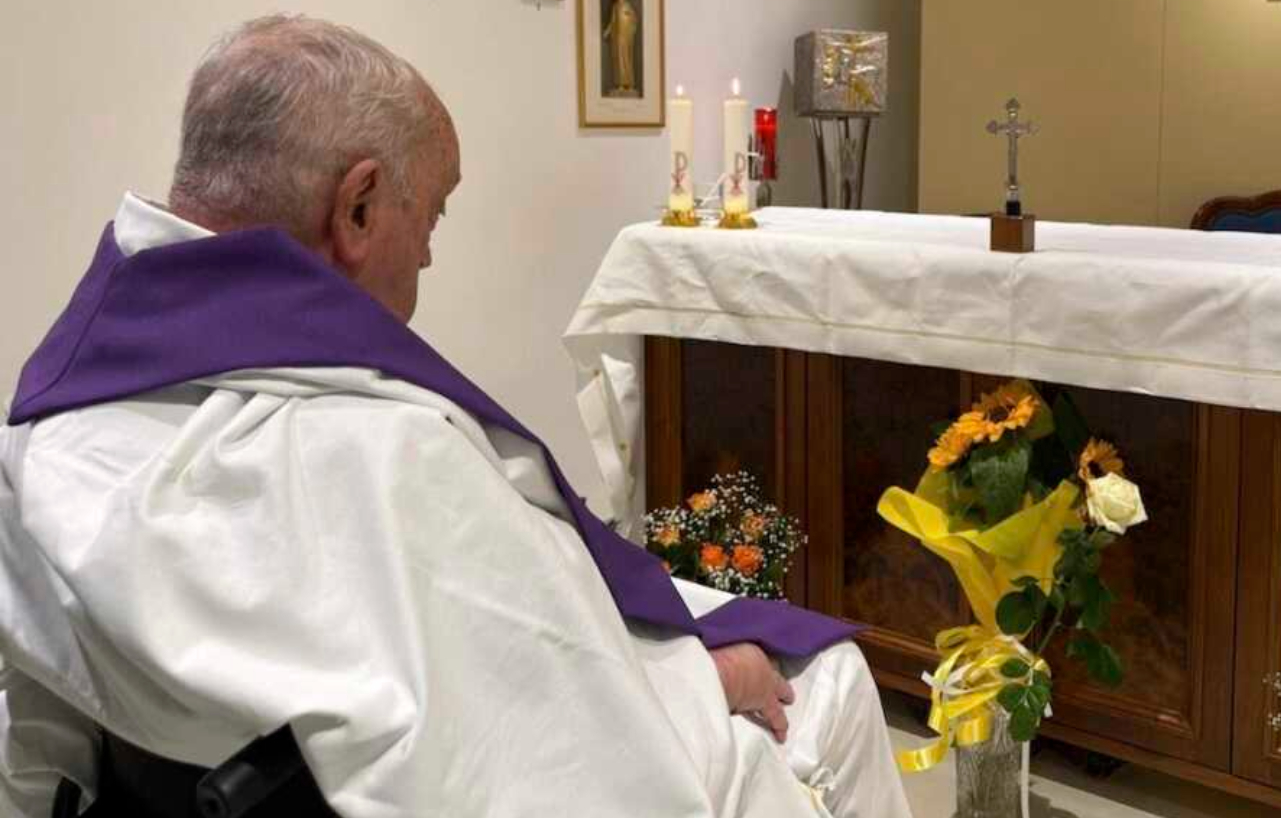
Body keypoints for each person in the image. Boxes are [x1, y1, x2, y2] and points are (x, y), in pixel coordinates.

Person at [0, 15, 912, 818]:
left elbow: (47, 721)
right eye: (431, 215)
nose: (430, 258)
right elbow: (541, 729)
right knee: (830, 681)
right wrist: (705, 679)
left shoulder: (53, 420)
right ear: (358, 208)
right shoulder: (381, 454)